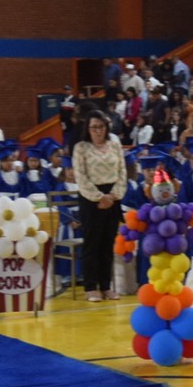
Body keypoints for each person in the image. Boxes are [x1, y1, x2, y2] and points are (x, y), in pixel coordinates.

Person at [71, 110, 125, 302]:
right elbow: (80, 177)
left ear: (106, 127)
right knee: (92, 243)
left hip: (113, 196)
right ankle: (91, 287)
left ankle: (106, 286)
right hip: (91, 198)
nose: (97, 131)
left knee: (107, 243)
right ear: (88, 128)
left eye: (101, 127)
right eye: (93, 127)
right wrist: (99, 197)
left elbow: (122, 172)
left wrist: (113, 195)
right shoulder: (80, 148)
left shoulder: (115, 145)